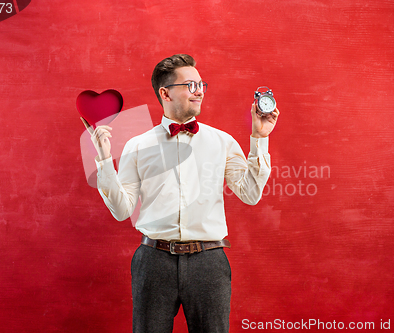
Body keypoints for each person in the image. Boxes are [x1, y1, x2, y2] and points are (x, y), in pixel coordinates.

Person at [90, 54, 279, 333]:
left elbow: (250, 194)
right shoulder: (137, 145)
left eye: (201, 84)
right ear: (165, 93)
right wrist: (105, 160)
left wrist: (260, 138)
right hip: (153, 261)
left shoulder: (222, 142)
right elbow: (121, 210)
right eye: (190, 85)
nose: (199, 90)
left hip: (209, 262)